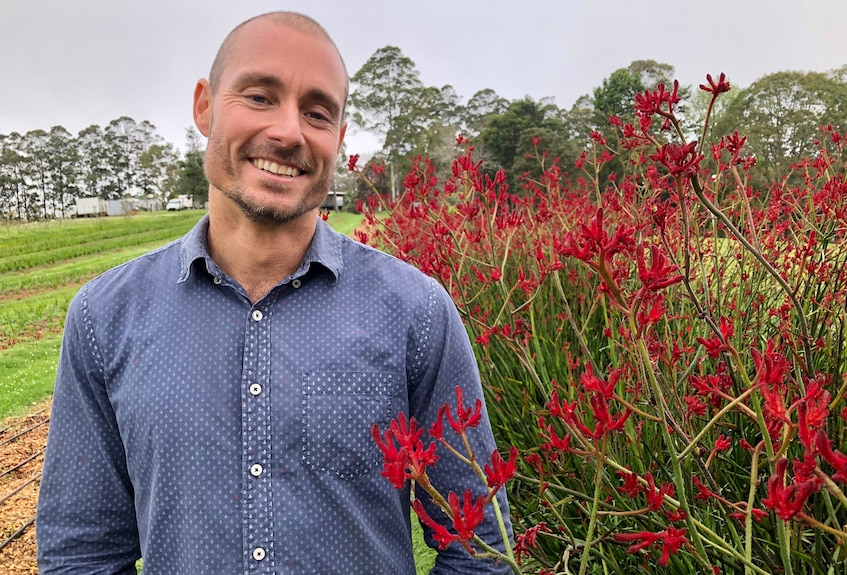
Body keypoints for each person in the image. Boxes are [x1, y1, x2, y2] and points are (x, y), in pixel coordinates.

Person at [36, 10, 513, 575]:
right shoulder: (104, 317)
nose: (288, 132)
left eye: (316, 112)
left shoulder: (416, 313)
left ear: (337, 137)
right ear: (204, 106)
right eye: (259, 97)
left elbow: (480, 547)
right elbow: (82, 553)